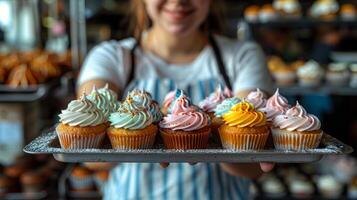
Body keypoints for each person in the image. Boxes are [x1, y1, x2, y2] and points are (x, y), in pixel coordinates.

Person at [77, 0, 274, 199]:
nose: (178, 2)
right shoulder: (110, 56)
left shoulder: (244, 56)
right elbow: (89, 150)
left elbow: (253, 164)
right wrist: (142, 140)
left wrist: (214, 142)